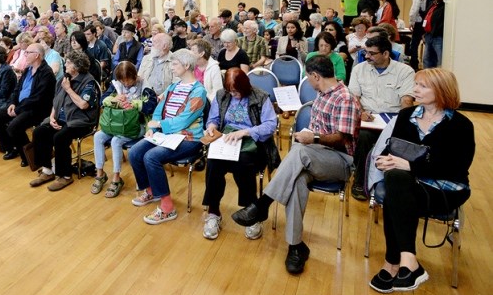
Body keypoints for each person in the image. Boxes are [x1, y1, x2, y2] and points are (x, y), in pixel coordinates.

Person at [232, 55, 360, 274]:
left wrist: (314, 138)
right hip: (313, 155)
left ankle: (262, 204)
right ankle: (296, 246)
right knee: (297, 181)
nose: (307, 81)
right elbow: (314, 130)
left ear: (315, 76)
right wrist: (308, 136)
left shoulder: (345, 98)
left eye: (308, 77)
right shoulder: (321, 95)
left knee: (299, 151)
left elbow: (342, 139)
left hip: (339, 160)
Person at [367, 68, 473, 293]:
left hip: (445, 190)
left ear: (442, 90)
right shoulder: (407, 116)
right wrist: (384, 161)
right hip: (407, 185)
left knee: (397, 188)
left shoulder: (461, 125)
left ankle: (392, 262)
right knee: (396, 181)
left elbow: (456, 167)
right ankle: (408, 262)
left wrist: (411, 165)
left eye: (422, 86)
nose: (415, 90)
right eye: (416, 84)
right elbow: (390, 149)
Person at [128, 49, 207, 225]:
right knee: (135, 152)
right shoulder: (173, 87)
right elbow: (159, 109)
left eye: (174, 64)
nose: (171, 68)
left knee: (151, 156)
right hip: (166, 135)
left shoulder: (198, 91)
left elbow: (184, 120)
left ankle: (167, 207)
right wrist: (153, 129)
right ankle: (151, 191)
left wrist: (159, 125)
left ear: (186, 66)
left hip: (189, 138)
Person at [202, 68, 280, 240]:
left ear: (245, 87)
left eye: (236, 91)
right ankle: (213, 212)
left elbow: (270, 125)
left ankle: (250, 212)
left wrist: (245, 132)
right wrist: (212, 126)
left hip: (254, 142)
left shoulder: (260, 96)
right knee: (213, 162)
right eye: (230, 91)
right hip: (228, 139)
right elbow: (213, 118)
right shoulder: (222, 95)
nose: (233, 94)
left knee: (243, 162)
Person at [348, 35, 415, 201]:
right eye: (365, 52)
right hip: (367, 118)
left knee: (401, 140)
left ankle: (390, 183)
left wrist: (401, 123)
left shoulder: (405, 71)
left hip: (393, 120)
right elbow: (354, 97)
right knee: (363, 137)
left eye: (371, 53)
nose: (367, 56)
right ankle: (360, 181)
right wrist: (361, 112)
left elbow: (407, 100)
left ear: (386, 54)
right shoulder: (359, 69)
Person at [28, 50, 100, 192]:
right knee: (39, 131)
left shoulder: (88, 81)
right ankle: (47, 170)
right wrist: (53, 117)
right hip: (62, 118)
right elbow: (56, 100)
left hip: (81, 121)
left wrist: (68, 89)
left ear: (76, 66)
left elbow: (83, 105)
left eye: (68, 62)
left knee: (60, 137)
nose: (65, 64)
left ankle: (65, 175)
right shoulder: (65, 78)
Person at [92, 62, 158, 198]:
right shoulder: (116, 84)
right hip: (116, 124)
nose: (126, 84)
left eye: (128, 80)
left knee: (116, 141)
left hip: (137, 126)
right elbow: (102, 100)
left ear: (135, 76)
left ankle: (116, 178)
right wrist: (115, 99)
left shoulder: (145, 86)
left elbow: (151, 106)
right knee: (98, 136)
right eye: (122, 80)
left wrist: (134, 104)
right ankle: (100, 174)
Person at [0, 43, 57, 167]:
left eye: (28, 52)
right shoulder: (27, 70)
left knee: (13, 127)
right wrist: (13, 103)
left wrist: (18, 109)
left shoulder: (46, 73)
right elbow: (17, 89)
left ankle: (28, 155)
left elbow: (38, 98)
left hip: (37, 109)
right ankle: (12, 148)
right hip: (20, 105)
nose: (25, 54)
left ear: (37, 55)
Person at [407, 0, 434, 70]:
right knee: (429, 43)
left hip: (419, 21)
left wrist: (411, 21)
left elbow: (415, 9)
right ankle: (430, 66)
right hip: (431, 22)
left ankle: (414, 65)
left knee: (414, 44)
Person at [422, 0, 445, 68]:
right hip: (429, 35)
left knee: (440, 62)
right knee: (427, 60)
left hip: (438, 37)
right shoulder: (433, 4)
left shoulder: (445, 6)